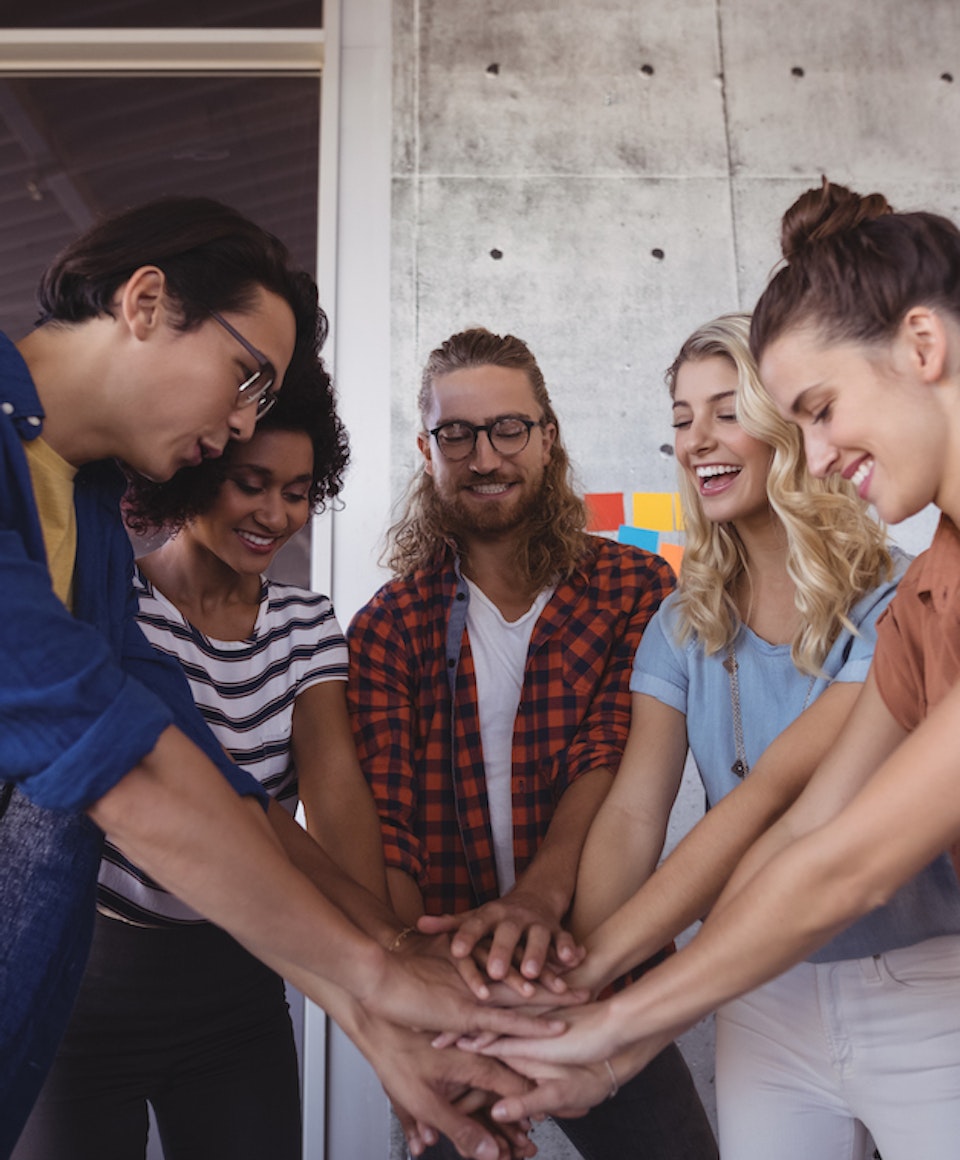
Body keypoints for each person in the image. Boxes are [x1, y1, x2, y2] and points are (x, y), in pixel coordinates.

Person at [0, 198, 562, 1160]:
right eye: (246, 375)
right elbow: (116, 768)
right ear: (144, 303)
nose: (242, 423)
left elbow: (201, 765)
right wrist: (379, 981)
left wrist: (374, 991)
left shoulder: (86, 508)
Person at [481, 180, 960, 1160]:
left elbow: (838, 855)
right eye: (680, 419)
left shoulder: (896, 590)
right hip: (769, 993)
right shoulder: (931, 596)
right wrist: (589, 994)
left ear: (922, 347)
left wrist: (614, 1029)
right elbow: (797, 823)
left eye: (818, 411)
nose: (820, 455)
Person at [348, 327, 718, 1159]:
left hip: (607, 973)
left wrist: (539, 906)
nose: (485, 456)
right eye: (458, 434)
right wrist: (434, 990)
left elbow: (613, 761)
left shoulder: (635, 588)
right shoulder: (387, 626)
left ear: (548, 438)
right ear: (427, 448)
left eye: (509, 428)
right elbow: (388, 829)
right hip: (454, 1003)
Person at [16, 347, 388, 1158]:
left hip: (237, 987)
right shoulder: (114, 604)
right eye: (251, 484)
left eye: (297, 493)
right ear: (195, 472)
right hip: (92, 985)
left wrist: (385, 946)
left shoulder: (306, 623)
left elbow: (334, 793)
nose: (275, 515)